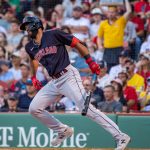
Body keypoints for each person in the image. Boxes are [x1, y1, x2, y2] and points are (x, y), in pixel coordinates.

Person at [20, 16, 130, 150]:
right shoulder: (29, 46)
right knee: (34, 109)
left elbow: (77, 44)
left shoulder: (54, 34)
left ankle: (120, 136)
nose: (26, 29)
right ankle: (63, 130)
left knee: (87, 108)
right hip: (54, 81)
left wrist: (90, 62)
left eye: (27, 26)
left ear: (36, 25)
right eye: (24, 27)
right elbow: (33, 61)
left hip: (68, 76)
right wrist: (33, 77)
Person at [97, 0, 131, 70]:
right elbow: (99, 37)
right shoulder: (103, 23)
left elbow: (129, 11)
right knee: (108, 68)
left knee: (119, 68)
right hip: (107, 49)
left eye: (113, 12)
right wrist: (100, 45)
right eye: (109, 12)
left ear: (116, 13)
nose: (111, 14)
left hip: (118, 48)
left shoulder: (121, 21)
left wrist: (126, 0)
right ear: (107, 13)